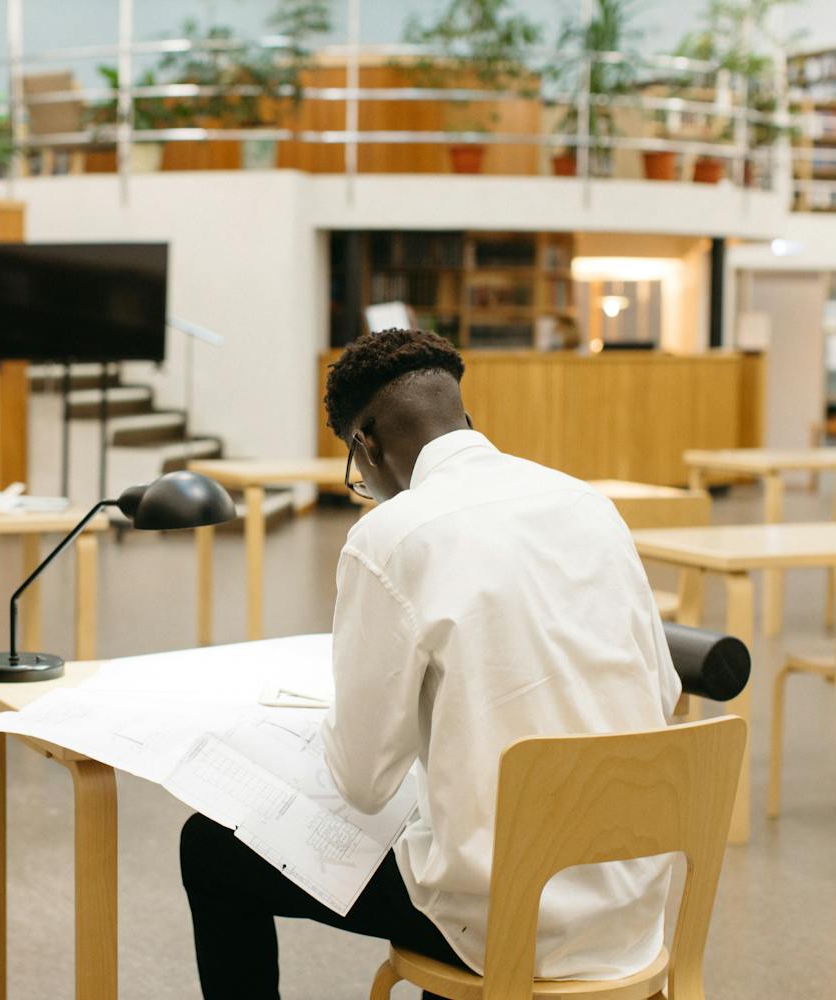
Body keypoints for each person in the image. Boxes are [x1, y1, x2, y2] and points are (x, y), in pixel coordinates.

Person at [179, 328, 682, 998]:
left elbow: (362, 783)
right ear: (461, 416)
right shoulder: (587, 503)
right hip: (631, 904)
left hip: (501, 918)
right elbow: (664, 691)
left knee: (210, 848)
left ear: (367, 445)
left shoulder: (392, 535)